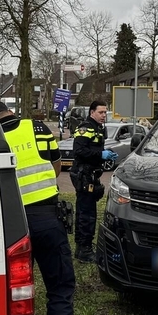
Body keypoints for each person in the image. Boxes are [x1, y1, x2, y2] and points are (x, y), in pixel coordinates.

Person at [0, 101, 87, 315]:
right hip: (46, 219)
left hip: (9, 225)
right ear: (10, 112)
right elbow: (56, 166)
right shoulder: (37, 128)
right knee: (60, 287)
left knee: (7, 294)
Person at [70, 101, 116, 263]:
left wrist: (105, 154)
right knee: (86, 213)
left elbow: (93, 149)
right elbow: (79, 151)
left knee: (88, 211)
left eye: (105, 112)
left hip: (91, 174)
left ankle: (84, 247)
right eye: (101, 112)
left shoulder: (98, 128)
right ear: (92, 113)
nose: (104, 115)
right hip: (84, 175)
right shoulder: (86, 128)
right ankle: (84, 250)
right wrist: (100, 155)